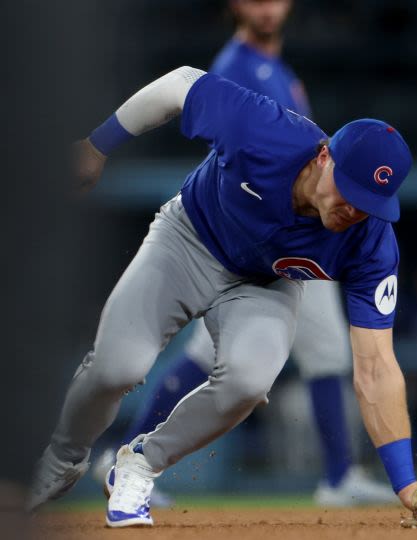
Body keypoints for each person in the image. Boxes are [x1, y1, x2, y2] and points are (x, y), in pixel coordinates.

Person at [25, 66, 417, 529]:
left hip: (264, 283)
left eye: (370, 203)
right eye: (350, 191)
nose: (354, 210)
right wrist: (97, 145)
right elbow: (179, 84)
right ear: (324, 156)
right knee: (116, 368)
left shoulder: (371, 242)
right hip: (188, 240)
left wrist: (407, 486)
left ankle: (141, 463)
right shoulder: (266, 131)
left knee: (248, 381)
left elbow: (377, 366)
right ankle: (64, 458)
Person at [89, 0, 394, 508]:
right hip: (268, 234)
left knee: (238, 355)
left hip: (297, 230)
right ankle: (338, 477)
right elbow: (233, 145)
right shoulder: (237, 63)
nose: (268, 7)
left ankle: (339, 473)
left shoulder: (277, 68)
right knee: (308, 353)